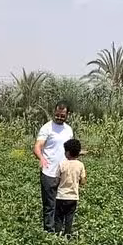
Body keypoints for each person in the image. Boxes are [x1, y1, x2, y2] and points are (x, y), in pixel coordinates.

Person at [33, 102, 74, 232]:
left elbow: (71, 150)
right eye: (57, 115)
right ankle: (49, 233)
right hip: (49, 172)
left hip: (64, 173)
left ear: (67, 115)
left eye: (62, 115)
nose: (59, 117)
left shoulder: (69, 130)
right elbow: (37, 146)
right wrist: (41, 158)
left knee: (63, 204)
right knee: (49, 205)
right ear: (54, 112)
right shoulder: (47, 128)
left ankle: (60, 231)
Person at [55, 139, 86, 237]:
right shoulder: (80, 165)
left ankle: (57, 234)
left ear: (67, 152)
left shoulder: (61, 164)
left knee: (59, 217)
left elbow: (56, 180)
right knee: (69, 217)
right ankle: (67, 235)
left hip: (60, 196)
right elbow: (83, 181)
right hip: (73, 197)